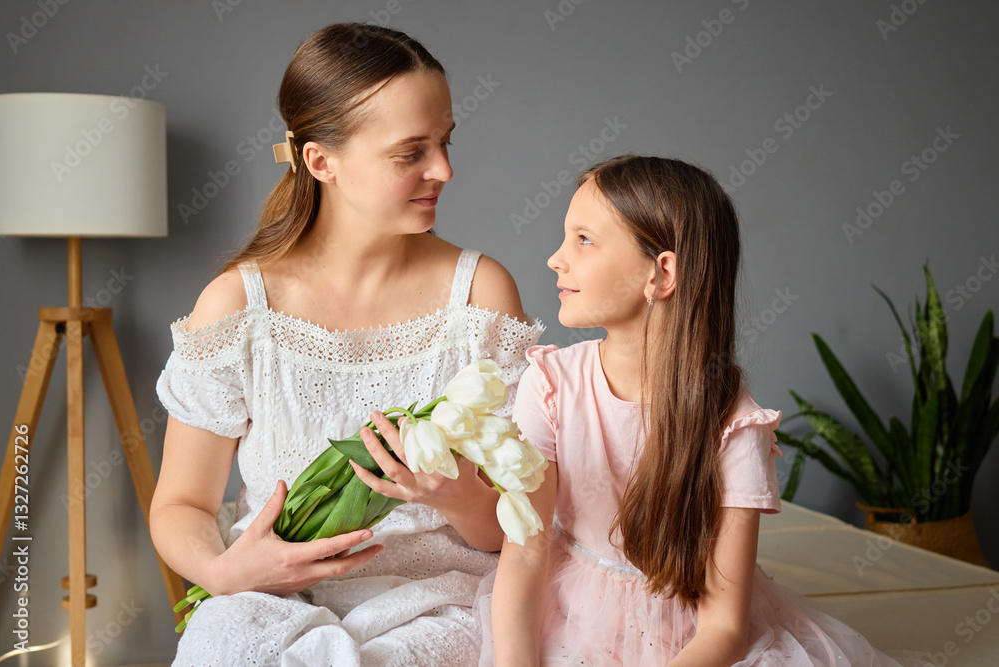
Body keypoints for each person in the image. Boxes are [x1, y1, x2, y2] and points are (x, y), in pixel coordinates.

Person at [149, 23, 544, 666]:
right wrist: (225, 574)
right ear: (320, 161)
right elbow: (181, 504)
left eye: (444, 142)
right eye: (409, 151)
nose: (443, 168)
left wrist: (458, 496)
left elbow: (519, 525)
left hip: (441, 600)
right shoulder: (237, 309)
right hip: (272, 597)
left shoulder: (479, 298)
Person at [480, 155, 935, 666]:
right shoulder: (549, 384)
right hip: (570, 614)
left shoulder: (732, 424)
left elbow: (723, 627)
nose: (555, 259)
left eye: (584, 239)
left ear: (662, 272)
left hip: (693, 640)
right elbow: (526, 551)